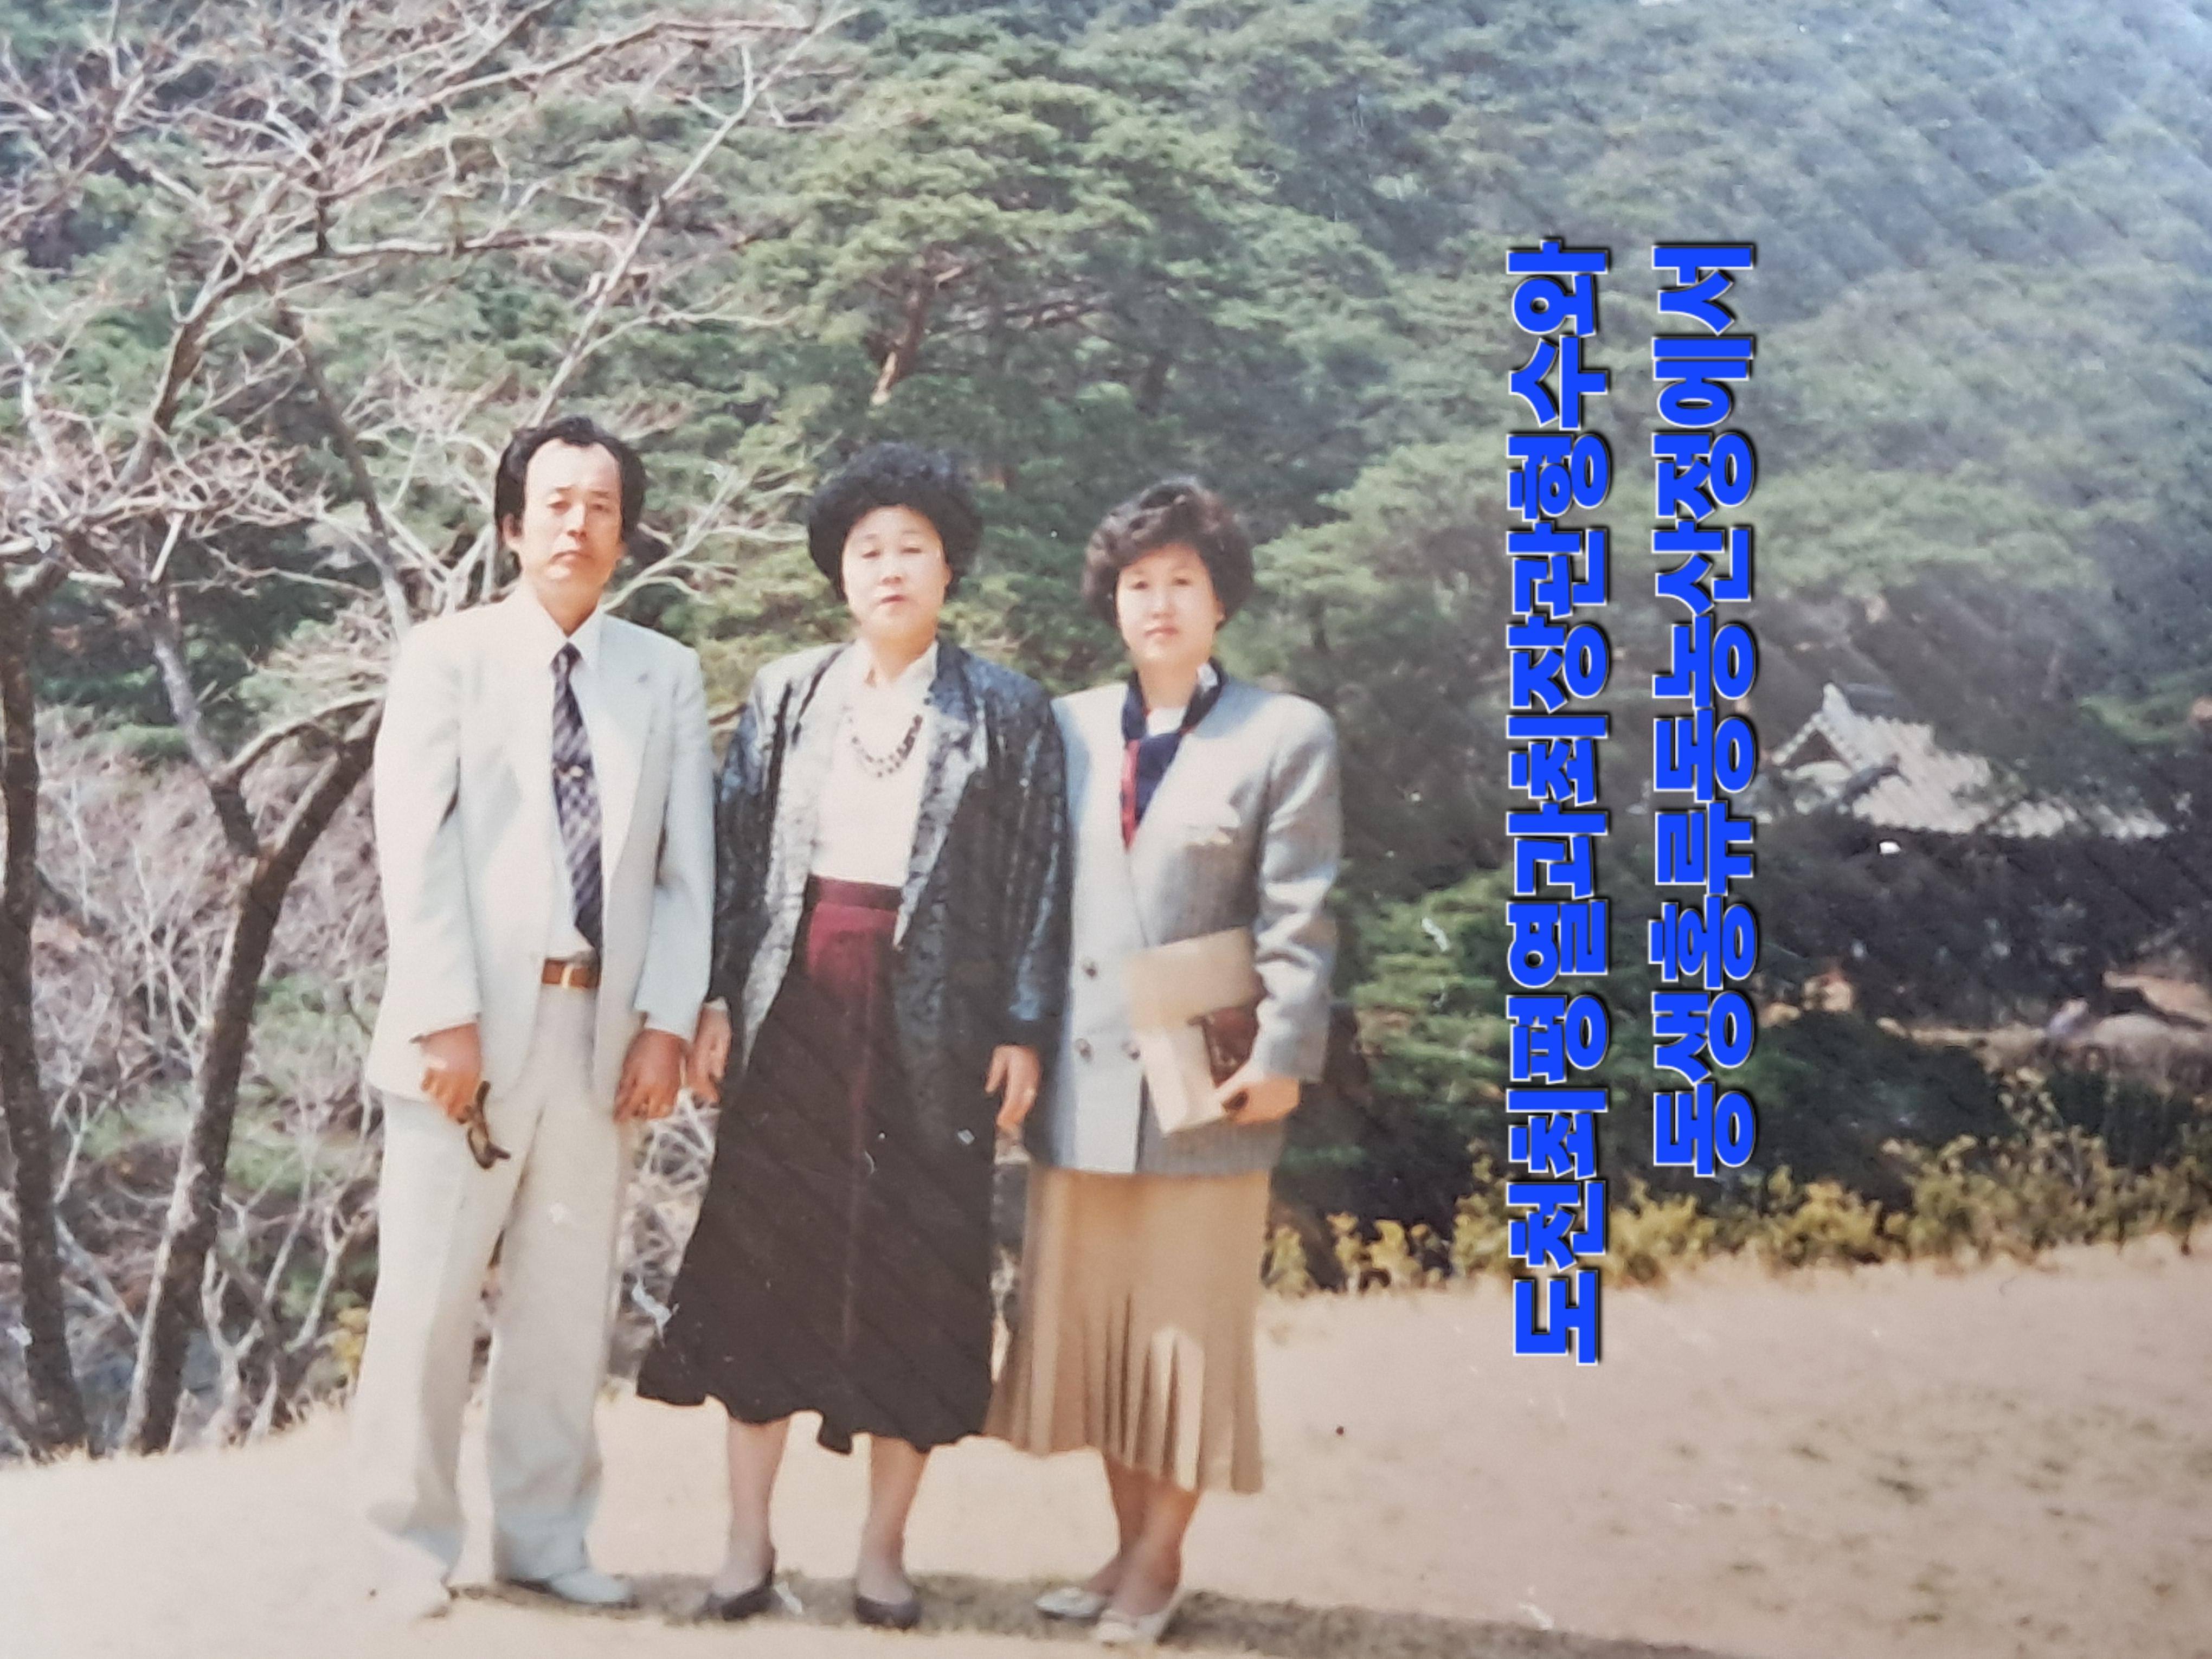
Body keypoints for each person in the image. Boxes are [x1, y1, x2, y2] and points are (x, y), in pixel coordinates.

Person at [636, 441, 1070, 1630]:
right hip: (795, 1003)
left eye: (913, 549)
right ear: (839, 570)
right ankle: (745, 1546)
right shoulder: (789, 693)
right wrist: (714, 1000)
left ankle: (883, 1554)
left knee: (916, 1275)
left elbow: (1039, 882)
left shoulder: (1008, 710)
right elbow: (734, 861)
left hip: (938, 1026)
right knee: (762, 1264)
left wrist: (1024, 1027)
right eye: (867, 550)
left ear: (949, 567)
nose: (890, 569)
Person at [353, 415, 714, 1618]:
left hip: (599, 1036)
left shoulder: (662, 674)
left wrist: (666, 1022)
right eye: (556, 504)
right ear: (512, 526)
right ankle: (406, 1545)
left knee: (566, 1303)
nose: (578, 525)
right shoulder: (446, 658)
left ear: (626, 531)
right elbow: (414, 849)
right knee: (426, 1298)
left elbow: (685, 872)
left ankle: (547, 1538)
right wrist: (443, 1014)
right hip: (466, 1033)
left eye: (602, 507)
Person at [986, 477, 1341, 1647]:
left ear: (1220, 598)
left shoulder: (1283, 733)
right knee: (1102, 1333)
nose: (1160, 603)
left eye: (1183, 581)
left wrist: (1284, 1054)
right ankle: (1123, 1545)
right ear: (1112, 602)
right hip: (1082, 1073)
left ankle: (1159, 1564)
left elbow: (1300, 917)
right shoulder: (1068, 727)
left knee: (1184, 1334)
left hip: (1210, 1077)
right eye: (1139, 584)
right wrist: (1017, 1038)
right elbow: (1036, 901)